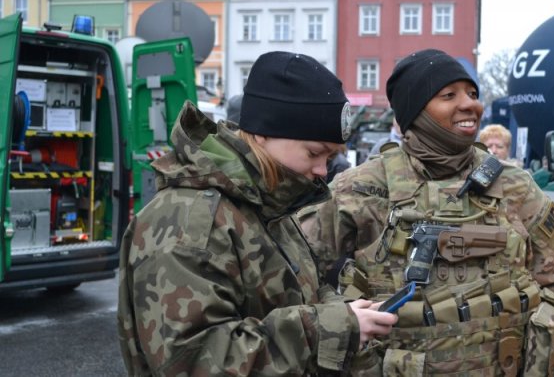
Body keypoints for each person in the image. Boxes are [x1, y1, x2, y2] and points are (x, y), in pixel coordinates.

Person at [299, 49, 554, 376]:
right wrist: (342, 320)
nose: (470, 104)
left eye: (472, 93)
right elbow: (293, 273)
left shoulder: (514, 186)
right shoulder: (362, 188)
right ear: (415, 110)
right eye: (448, 95)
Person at [117, 51, 397, 376]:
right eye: (314, 153)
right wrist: (331, 327)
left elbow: (302, 290)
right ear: (263, 134)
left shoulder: (266, 204)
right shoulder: (190, 220)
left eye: (331, 156)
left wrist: (346, 315)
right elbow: (196, 361)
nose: (323, 169)